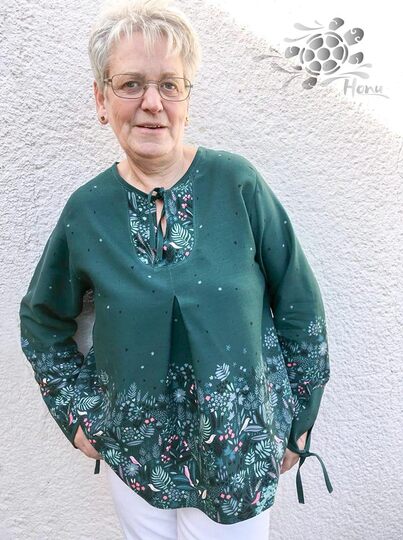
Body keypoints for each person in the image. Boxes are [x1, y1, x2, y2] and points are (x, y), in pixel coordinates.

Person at [18, 0, 333, 537]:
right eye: (130, 84)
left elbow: (300, 307)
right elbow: (42, 320)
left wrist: (296, 422)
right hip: (134, 460)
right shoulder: (87, 211)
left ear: (187, 99)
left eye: (169, 84)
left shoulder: (237, 184)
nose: (151, 103)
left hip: (241, 458)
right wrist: (78, 417)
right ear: (101, 99)